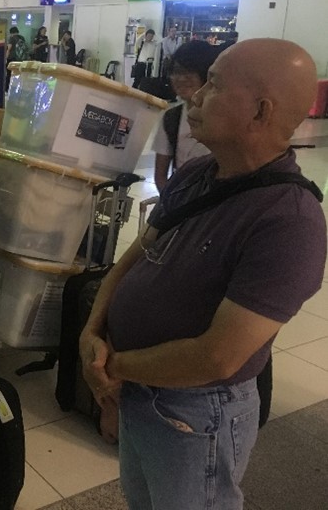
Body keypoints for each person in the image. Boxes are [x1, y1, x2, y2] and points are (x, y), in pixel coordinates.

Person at [80, 38, 326, 510]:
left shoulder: (289, 222)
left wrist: (112, 368)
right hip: (136, 389)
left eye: (213, 85)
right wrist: (92, 333)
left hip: (196, 413)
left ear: (260, 112)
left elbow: (218, 358)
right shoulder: (198, 175)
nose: (193, 96)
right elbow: (134, 257)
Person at [151, 41, 221, 193]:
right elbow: (160, 176)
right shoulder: (172, 118)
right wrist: (172, 205)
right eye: (176, 72)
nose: (181, 78)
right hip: (181, 200)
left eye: (189, 72)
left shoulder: (225, 118)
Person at [5, 26, 28, 90]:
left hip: (12, 58)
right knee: (18, 74)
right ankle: (18, 88)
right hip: (20, 59)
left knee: (9, 74)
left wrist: (6, 58)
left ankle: (8, 88)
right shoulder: (22, 38)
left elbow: (9, 49)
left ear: (11, 32)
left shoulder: (12, 38)